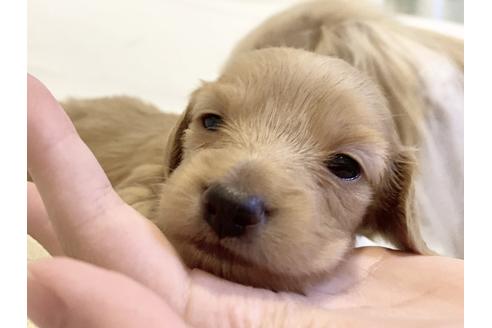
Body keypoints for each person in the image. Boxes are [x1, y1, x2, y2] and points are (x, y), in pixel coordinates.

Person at [27, 74, 463, 327]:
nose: (237, 196)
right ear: (177, 146)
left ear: (387, 213)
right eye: (212, 122)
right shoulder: (154, 184)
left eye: (344, 167)